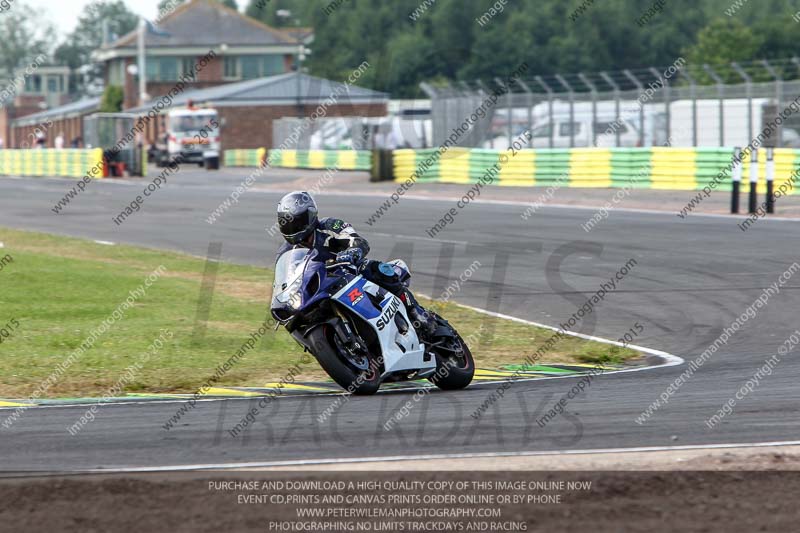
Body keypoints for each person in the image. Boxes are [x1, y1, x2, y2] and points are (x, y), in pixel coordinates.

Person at [275, 191, 436, 337]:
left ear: (309, 216)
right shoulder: (286, 252)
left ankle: (416, 312)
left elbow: (357, 240)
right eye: (286, 222)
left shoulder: (328, 226)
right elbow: (284, 281)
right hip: (321, 289)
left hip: (348, 273)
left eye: (296, 222)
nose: (291, 227)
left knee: (380, 270)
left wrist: (352, 251)